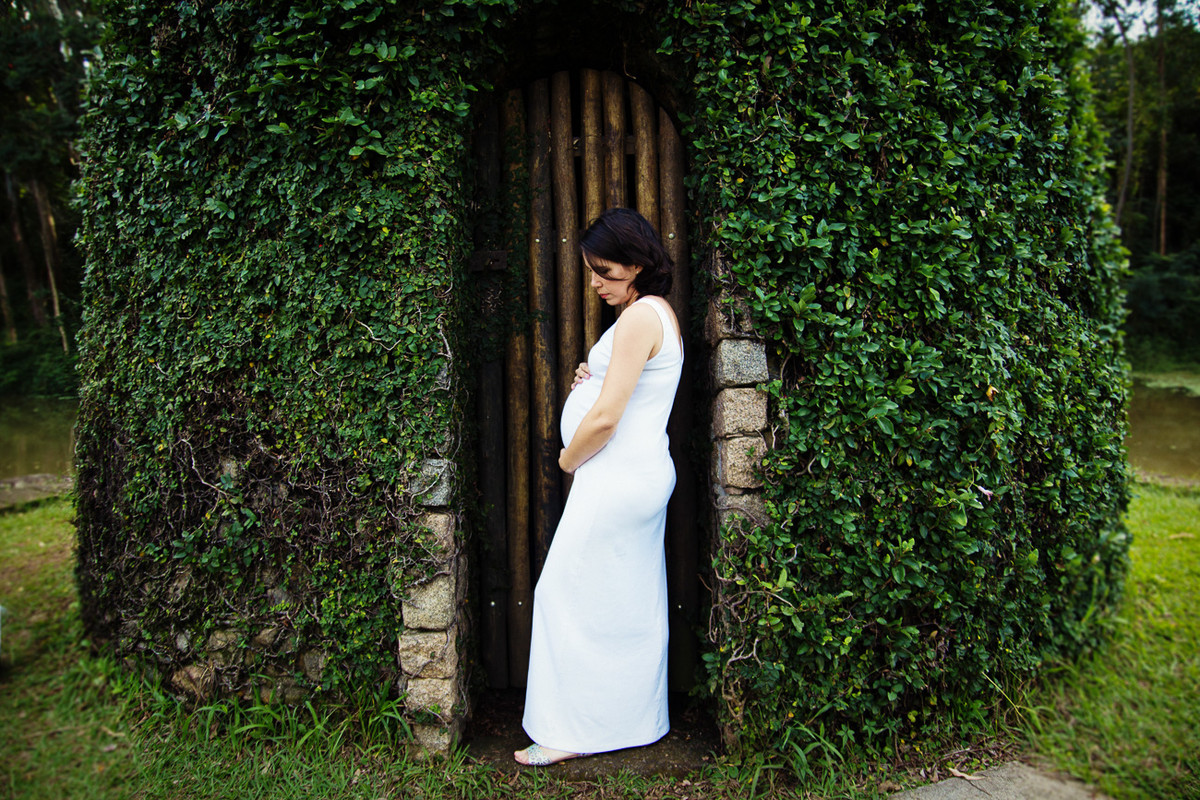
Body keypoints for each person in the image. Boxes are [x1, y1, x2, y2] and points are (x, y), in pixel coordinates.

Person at [514, 207, 683, 766]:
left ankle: (571, 731)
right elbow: (625, 391)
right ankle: (636, 721)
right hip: (637, 475)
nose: (595, 283)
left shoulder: (639, 318)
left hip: (616, 477)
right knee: (623, 603)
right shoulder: (657, 314)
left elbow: (609, 417)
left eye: (604, 271)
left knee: (563, 595)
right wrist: (591, 378)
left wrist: (567, 458)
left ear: (636, 265)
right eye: (591, 270)